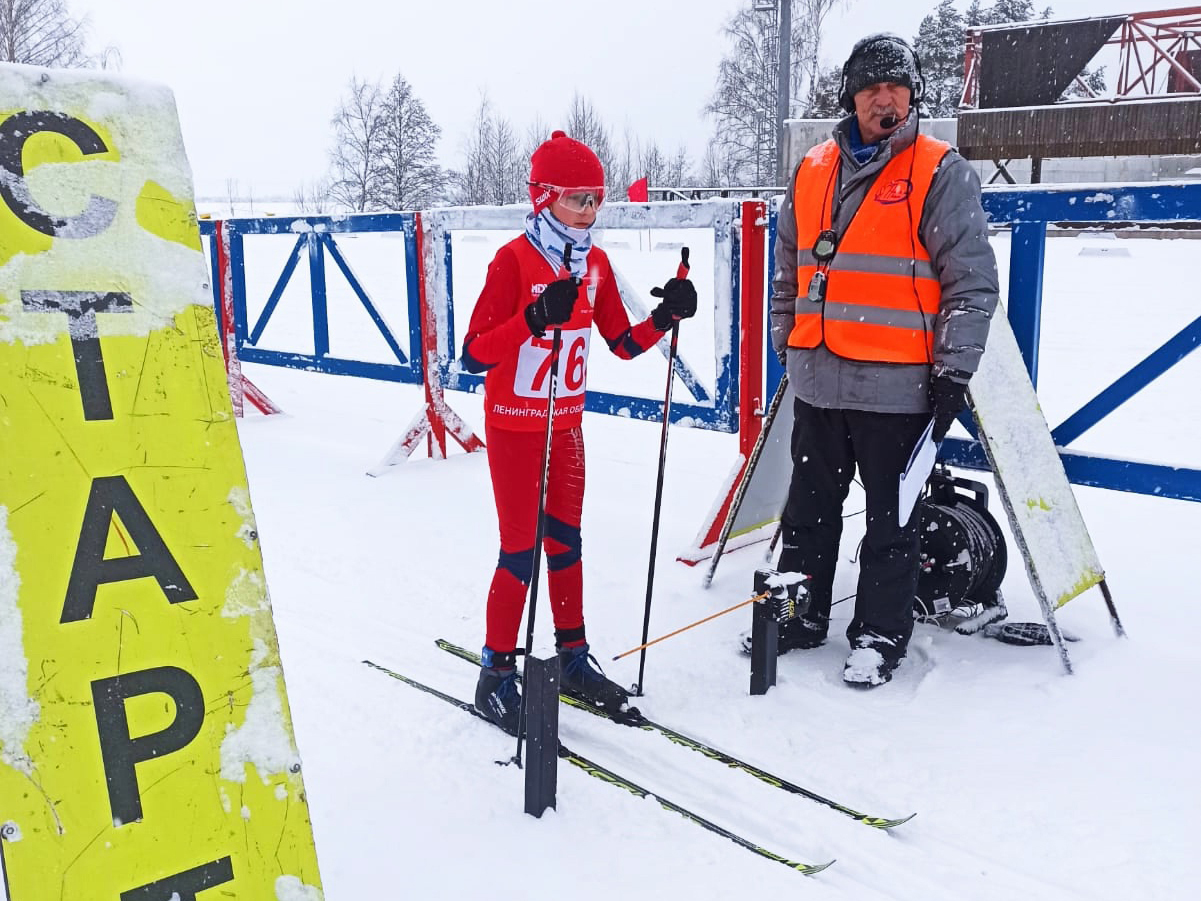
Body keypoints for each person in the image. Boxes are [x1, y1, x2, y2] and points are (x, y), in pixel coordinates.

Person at [769, 33, 999, 687]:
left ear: (912, 97)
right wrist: (785, 337)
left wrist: (953, 370)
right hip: (817, 379)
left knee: (890, 524)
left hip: (896, 389)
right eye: (871, 86)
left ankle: (876, 636)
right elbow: (788, 267)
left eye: (896, 87)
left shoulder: (938, 169)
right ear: (851, 97)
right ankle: (796, 614)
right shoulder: (812, 167)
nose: (884, 97)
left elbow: (970, 282)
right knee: (806, 513)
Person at [462, 130, 698, 733]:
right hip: (516, 428)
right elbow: (474, 354)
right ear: (543, 198)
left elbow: (621, 344)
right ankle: (494, 673)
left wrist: (666, 317)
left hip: (565, 428)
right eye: (577, 198)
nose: (590, 211)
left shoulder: (594, 262)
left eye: (597, 199)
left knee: (567, 544)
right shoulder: (513, 260)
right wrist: (534, 317)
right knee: (520, 550)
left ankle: (572, 657)